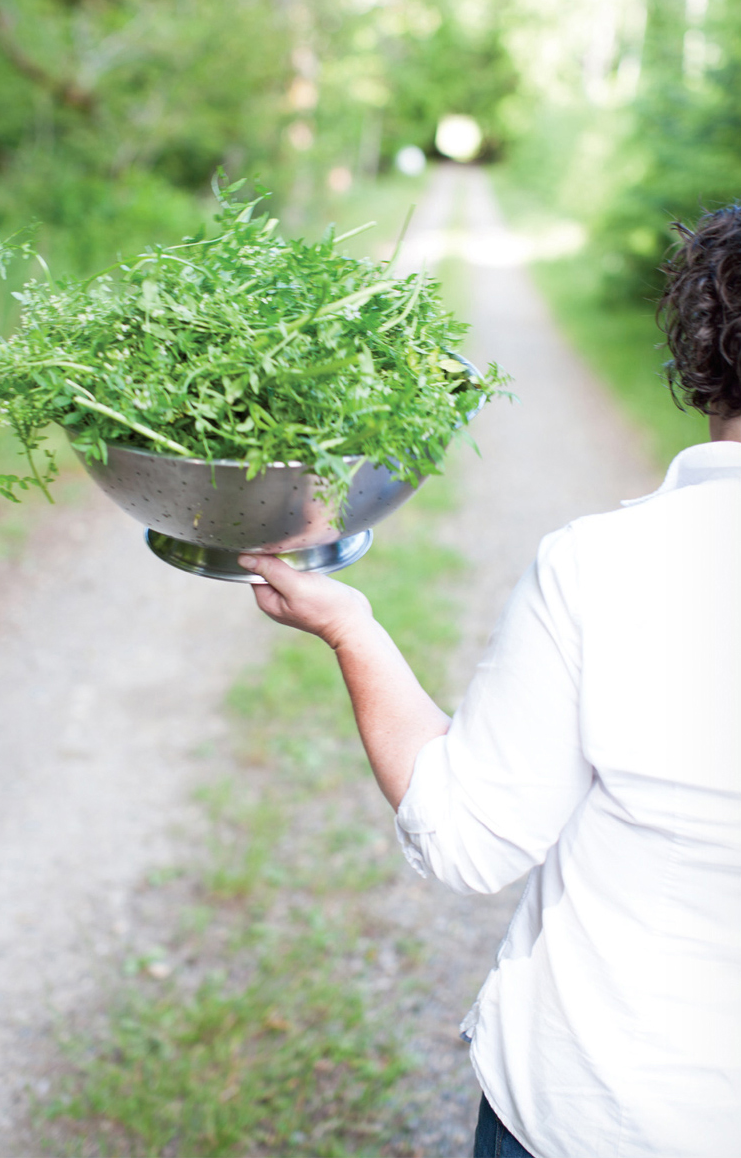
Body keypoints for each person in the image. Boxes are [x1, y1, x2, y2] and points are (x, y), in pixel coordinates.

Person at [238, 205, 741, 1158]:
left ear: (706, 343)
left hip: (598, 1117)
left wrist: (351, 629)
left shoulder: (607, 566)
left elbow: (469, 839)